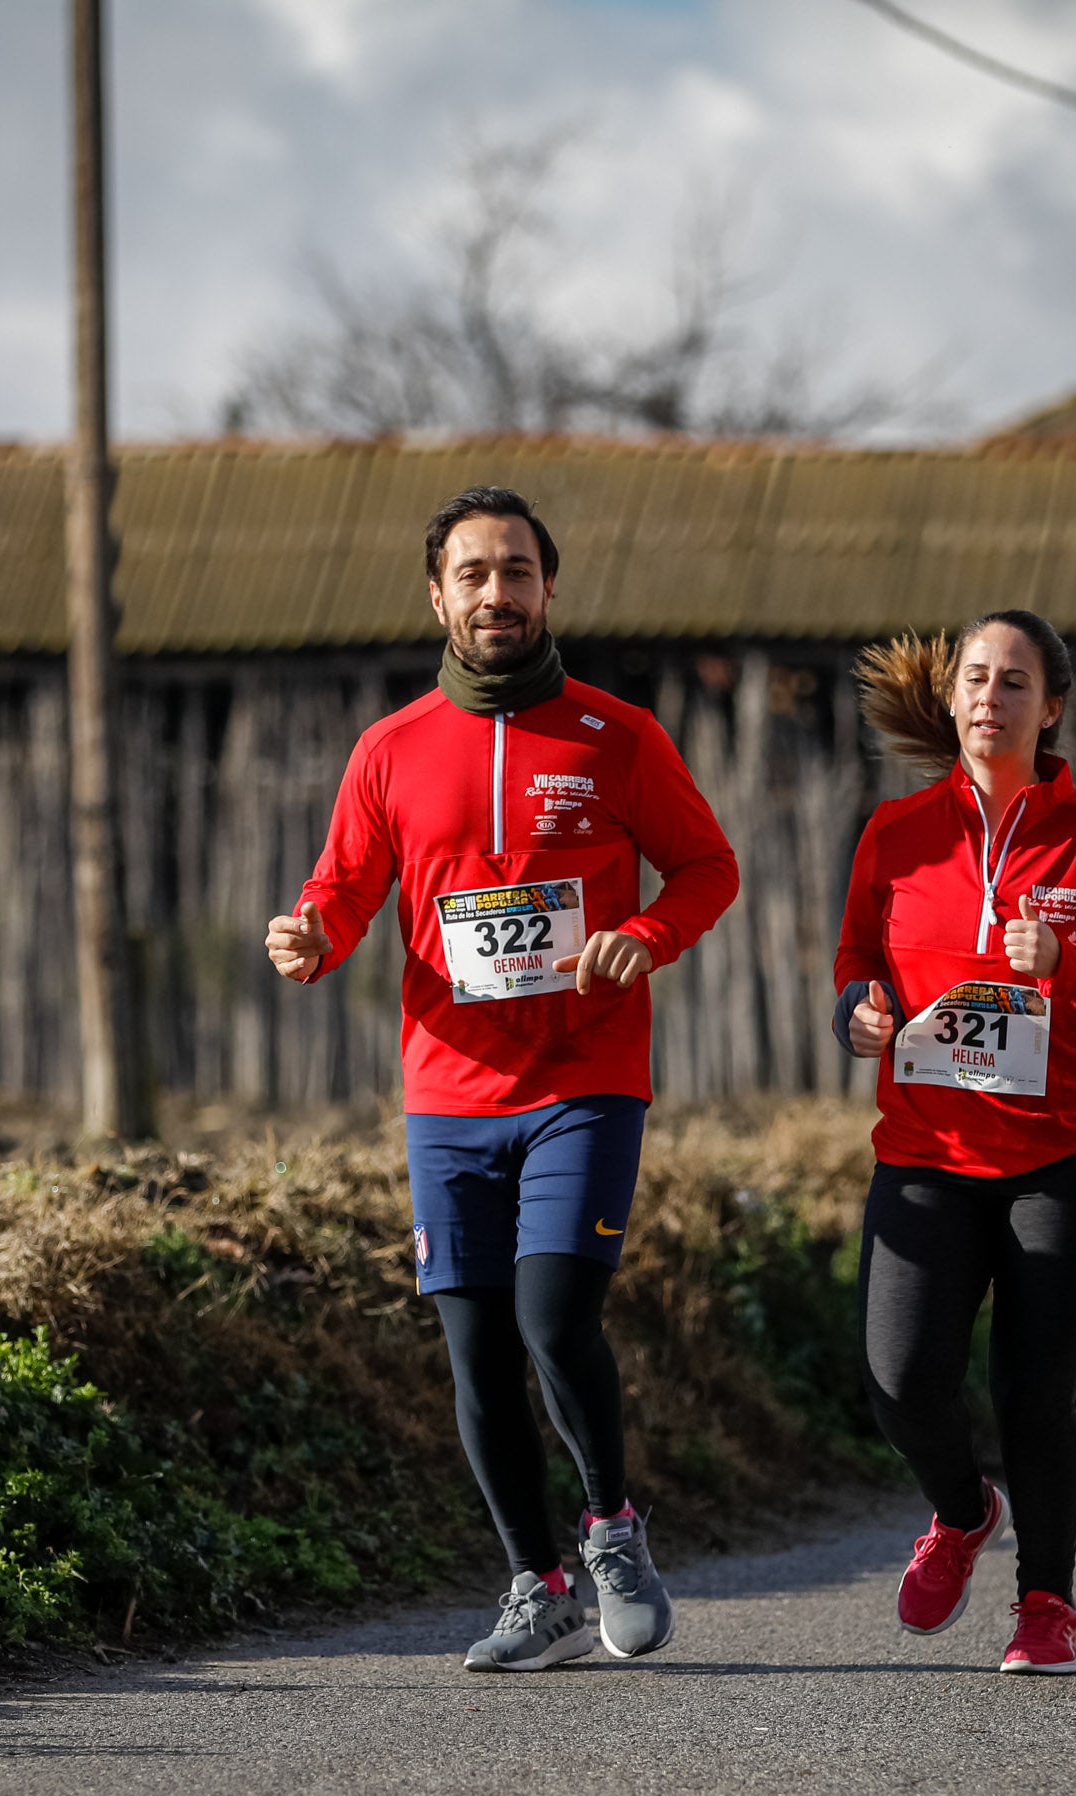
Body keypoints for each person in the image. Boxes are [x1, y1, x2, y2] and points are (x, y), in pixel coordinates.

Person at [265, 486, 739, 1672]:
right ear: (438, 596)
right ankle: (539, 1587)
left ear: (548, 588)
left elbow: (705, 865)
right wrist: (312, 933)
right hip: (448, 1095)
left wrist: (650, 935)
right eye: (472, 573)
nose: (496, 593)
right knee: (476, 1350)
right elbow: (346, 884)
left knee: (553, 1316)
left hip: (584, 1078)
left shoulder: (616, 735)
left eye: (516, 571)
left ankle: (612, 1529)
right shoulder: (389, 749)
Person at [831, 611, 1076, 1673]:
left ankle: (1046, 1601)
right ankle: (961, 1509)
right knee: (900, 1379)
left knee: (1033, 1392)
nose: (991, 696)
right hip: (929, 1151)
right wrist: (859, 1011)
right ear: (952, 701)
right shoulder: (896, 834)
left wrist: (1070, 963)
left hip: (1071, 1157)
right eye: (977, 678)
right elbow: (857, 960)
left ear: (1051, 707)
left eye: (1015, 681)